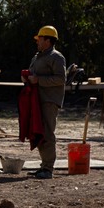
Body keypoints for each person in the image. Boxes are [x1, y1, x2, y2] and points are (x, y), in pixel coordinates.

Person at [22, 25, 67, 179]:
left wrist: (38, 80)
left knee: (47, 133)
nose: (37, 41)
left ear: (47, 40)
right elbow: (33, 75)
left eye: (39, 39)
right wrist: (27, 78)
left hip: (49, 101)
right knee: (38, 133)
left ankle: (48, 169)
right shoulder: (36, 57)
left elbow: (61, 79)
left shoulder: (57, 57)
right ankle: (44, 166)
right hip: (36, 101)